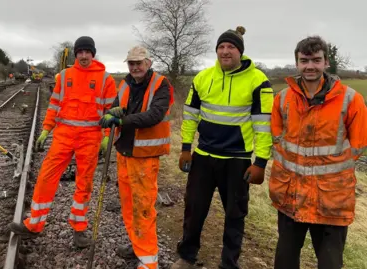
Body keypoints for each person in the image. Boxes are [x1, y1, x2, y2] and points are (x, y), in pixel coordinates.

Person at [173, 26, 274, 269]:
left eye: (231, 47)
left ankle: (229, 263)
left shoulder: (258, 81)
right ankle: (187, 255)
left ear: (240, 51)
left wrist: (260, 162)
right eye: (221, 47)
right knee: (194, 209)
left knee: (235, 215)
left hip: (237, 160)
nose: (225, 51)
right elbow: (190, 117)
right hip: (204, 156)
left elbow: (264, 126)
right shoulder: (202, 78)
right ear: (216, 51)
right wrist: (186, 147)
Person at [7, 36, 117, 248]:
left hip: (90, 138)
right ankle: (34, 225)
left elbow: (111, 113)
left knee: (84, 183)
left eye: (87, 51)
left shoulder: (105, 79)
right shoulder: (65, 76)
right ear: (75, 54)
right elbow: (55, 105)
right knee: (46, 177)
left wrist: (106, 137)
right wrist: (45, 130)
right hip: (64, 137)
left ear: (92, 54)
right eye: (80, 52)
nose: (83, 55)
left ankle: (79, 229)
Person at [269, 35, 367, 269]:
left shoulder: (351, 100)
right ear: (297, 63)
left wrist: (325, 174)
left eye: (315, 60)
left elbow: (358, 145)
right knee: (284, 261)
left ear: (326, 63)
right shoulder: (283, 98)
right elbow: (277, 141)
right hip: (291, 195)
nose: (310, 66)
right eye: (304, 60)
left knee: (330, 263)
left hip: (331, 201)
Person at [99, 45, 174, 269]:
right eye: (131, 63)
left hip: (145, 156)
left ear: (148, 63)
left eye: (138, 63)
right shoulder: (126, 83)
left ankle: (149, 261)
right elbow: (116, 106)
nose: (134, 67)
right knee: (129, 206)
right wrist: (112, 113)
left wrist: (121, 121)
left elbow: (154, 115)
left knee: (143, 207)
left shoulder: (161, 84)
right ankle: (137, 244)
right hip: (125, 152)